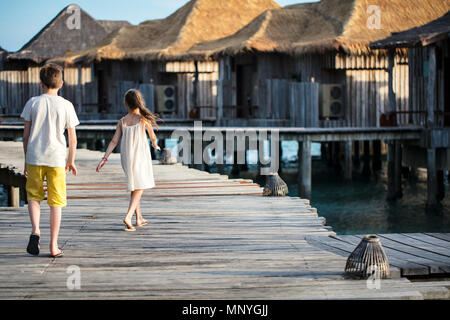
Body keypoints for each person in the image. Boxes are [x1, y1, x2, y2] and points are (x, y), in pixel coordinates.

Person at [22, 63, 79, 258]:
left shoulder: (32, 103)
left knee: (33, 196)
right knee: (56, 202)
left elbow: (26, 135)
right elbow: (72, 138)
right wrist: (70, 160)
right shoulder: (66, 105)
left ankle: (36, 230)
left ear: (41, 83)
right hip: (57, 160)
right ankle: (54, 246)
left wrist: (26, 159)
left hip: (34, 157)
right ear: (61, 83)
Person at [96, 89, 160, 231]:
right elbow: (152, 136)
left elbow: (113, 141)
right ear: (140, 102)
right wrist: (155, 145)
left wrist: (104, 158)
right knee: (140, 186)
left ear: (126, 104)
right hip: (140, 156)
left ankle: (139, 218)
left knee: (135, 184)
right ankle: (129, 216)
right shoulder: (143, 119)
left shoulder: (122, 121)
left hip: (126, 157)